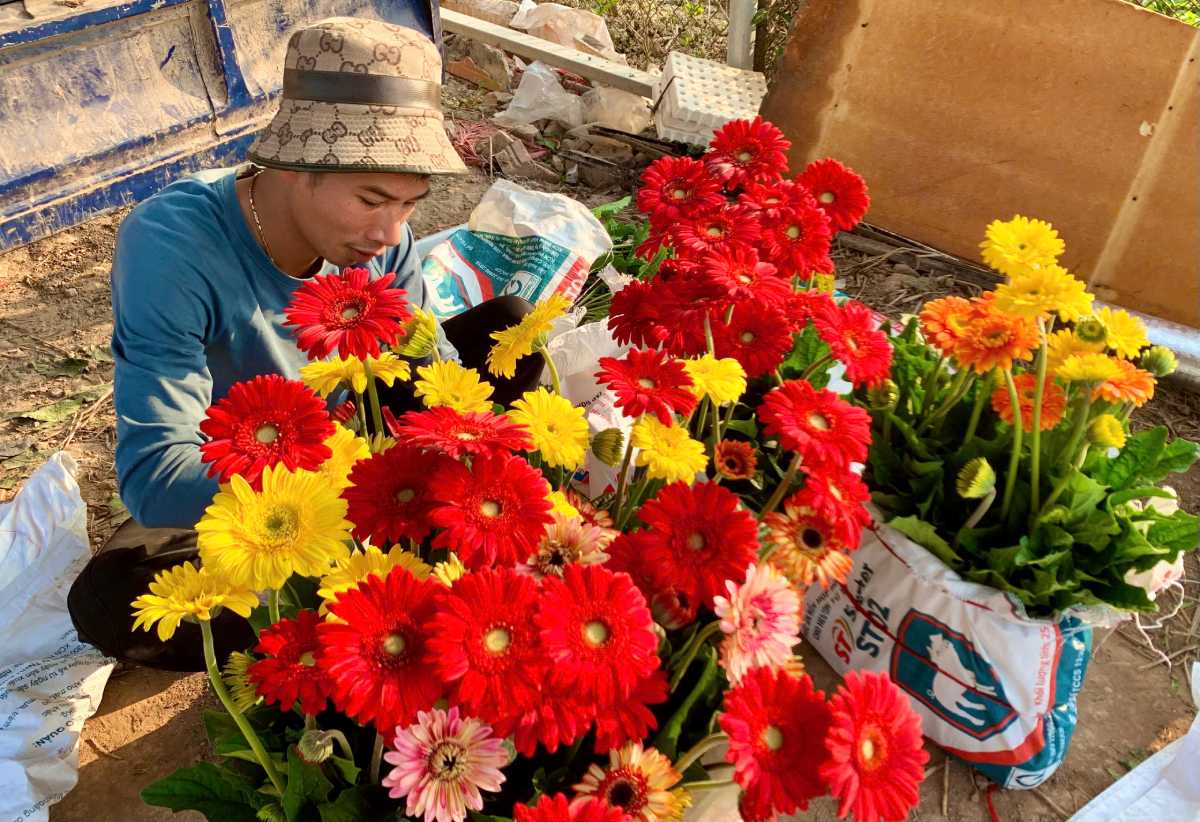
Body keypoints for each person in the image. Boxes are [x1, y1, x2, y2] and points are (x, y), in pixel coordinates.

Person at [67, 17, 543, 671]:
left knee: (510, 332)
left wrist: (444, 467)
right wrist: (332, 502)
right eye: (372, 199)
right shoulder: (172, 248)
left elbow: (426, 371)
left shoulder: (385, 245)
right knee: (110, 601)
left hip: (356, 440)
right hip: (257, 479)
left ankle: (351, 591)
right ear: (295, 166)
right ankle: (337, 610)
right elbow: (157, 477)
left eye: (410, 204)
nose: (391, 232)